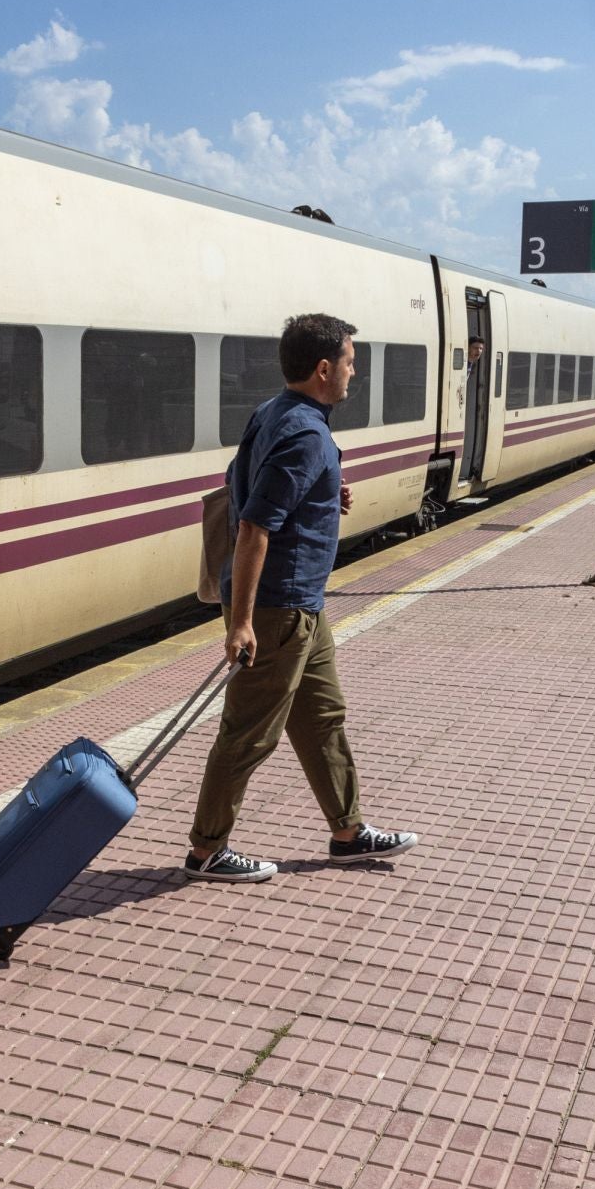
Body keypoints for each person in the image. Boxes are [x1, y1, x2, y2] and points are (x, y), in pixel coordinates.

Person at [186, 313, 419, 882]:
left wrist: (322, 492)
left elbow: (244, 480)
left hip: (304, 609)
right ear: (323, 369)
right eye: (349, 364)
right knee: (247, 733)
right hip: (276, 609)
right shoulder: (307, 432)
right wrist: (240, 623)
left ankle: (348, 832)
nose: (352, 374)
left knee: (322, 721)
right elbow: (253, 527)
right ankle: (206, 852)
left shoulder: (275, 412)